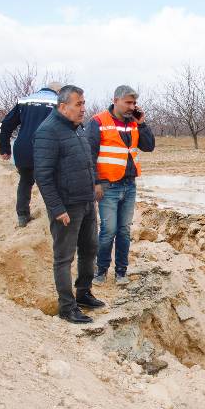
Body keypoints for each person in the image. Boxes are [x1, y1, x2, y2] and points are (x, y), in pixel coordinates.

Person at [33, 85, 104, 324]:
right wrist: (57, 209)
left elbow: (86, 160)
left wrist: (94, 184)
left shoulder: (77, 128)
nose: (83, 109)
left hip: (85, 201)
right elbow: (43, 175)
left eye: (84, 103)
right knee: (64, 258)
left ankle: (83, 293)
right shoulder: (48, 132)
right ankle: (67, 307)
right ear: (63, 107)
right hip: (66, 206)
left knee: (90, 249)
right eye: (79, 104)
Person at [86, 85, 154, 286]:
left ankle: (121, 271)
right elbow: (89, 155)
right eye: (128, 102)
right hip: (108, 186)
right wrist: (96, 182)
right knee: (109, 230)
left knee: (124, 230)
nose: (132, 107)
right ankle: (100, 270)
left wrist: (142, 124)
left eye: (134, 103)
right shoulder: (98, 122)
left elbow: (149, 146)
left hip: (129, 184)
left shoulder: (134, 123)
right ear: (115, 100)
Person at [0, 81, 61, 227]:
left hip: (22, 149)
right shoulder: (59, 102)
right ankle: (55, 216)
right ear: (58, 91)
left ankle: (22, 216)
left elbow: (6, 124)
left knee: (25, 181)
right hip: (45, 149)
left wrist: (5, 148)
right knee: (51, 183)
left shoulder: (25, 100)